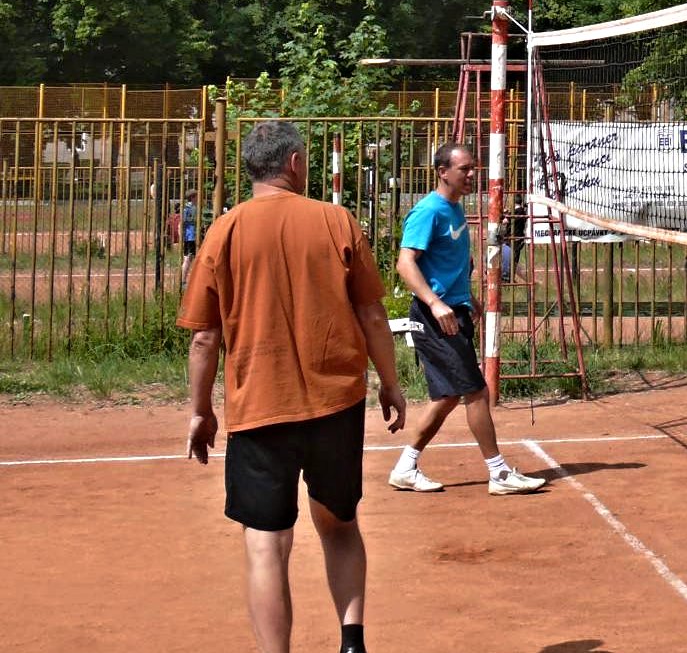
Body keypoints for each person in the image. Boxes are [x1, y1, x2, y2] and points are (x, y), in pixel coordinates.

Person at [178, 121, 406, 653]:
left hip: (259, 406)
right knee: (339, 525)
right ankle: (352, 642)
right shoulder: (335, 220)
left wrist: (200, 411)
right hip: (335, 403)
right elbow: (373, 314)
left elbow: (205, 337)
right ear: (296, 163)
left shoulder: (224, 231)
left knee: (266, 544)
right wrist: (390, 383)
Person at [388, 143, 546, 496]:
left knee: (447, 396)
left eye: (474, 168)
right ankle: (498, 473)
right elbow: (405, 264)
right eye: (465, 169)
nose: (472, 174)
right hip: (436, 317)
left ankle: (405, 468)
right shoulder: (429, 212)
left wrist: (466, 297)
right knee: (476, 391)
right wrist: (436, 303)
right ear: (442, 172)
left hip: (453, 311)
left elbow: (448, 265)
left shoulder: (455, 209)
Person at [180, 190, 199, 285]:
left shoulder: (190, 207)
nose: (198, 198)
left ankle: (185, 280)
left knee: (189, 258)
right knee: (188, 258)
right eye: (196, 196)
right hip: (190, 236)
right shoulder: (190, 208)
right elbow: (181, 223)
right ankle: (183, 281)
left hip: (190, 236)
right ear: (192, 197)